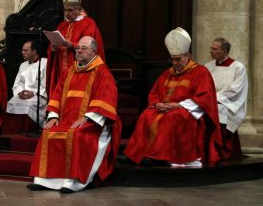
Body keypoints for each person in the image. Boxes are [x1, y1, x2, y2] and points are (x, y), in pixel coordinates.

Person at [28, 36, 121, 193]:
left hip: (93, 121)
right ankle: (45, 179)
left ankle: (73, 182)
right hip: (65, 119)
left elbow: (106, 98)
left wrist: (87, 117)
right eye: (77, 48)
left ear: (93, 51)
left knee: (76, 134)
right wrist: (54, 116)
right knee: (48, 131)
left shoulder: (102, 72)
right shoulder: (70, 70)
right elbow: (57, 93)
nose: (79, 51)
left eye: (83, 48)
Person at [123, 27, 222, 167]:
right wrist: (157, 104)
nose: (175, 63)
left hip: (186, 111)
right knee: (147, 115)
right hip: (165, 108)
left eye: (178, 59)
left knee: (173, 117)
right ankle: (136, 154)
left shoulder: (201, 72)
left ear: (188, 55)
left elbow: (205, 98)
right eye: (172, 59)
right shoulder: (167, 73)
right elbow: (154, 92)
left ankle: (158, 156)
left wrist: (177, 105)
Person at [47, 0, 105, 95]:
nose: (67, 14)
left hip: (79, 70)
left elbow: (91, 48)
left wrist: (73, 45)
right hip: (61, 70)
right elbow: (52, 46)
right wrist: (53, 48)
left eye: (70, 10)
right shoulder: (62, 25)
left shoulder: (89, 24)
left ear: (78, 9)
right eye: (65, 11)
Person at [205, 38, 248, 161]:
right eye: (211, 48)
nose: (211, 51)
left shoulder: (238, 67)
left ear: (224, 50)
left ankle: (219, 152)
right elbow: (204, 86)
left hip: (230, 103)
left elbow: (235, 90)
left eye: (214, 49)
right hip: (211, 100)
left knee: (219, 111)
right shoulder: (208, 66)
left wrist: (214, 99)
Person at [3, 40, 47, 134]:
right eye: (22, 50)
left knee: (29, 105)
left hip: (38, 96)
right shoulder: (23, 65)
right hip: (23, 95)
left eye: (25, 50)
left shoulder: (45, 63)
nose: (22, 52)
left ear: (34, 51)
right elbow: (18, 84)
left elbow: (46, 84)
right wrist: (20, 92)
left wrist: (34, 93)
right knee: (10, 103)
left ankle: (28, 130)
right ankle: (13, 133)